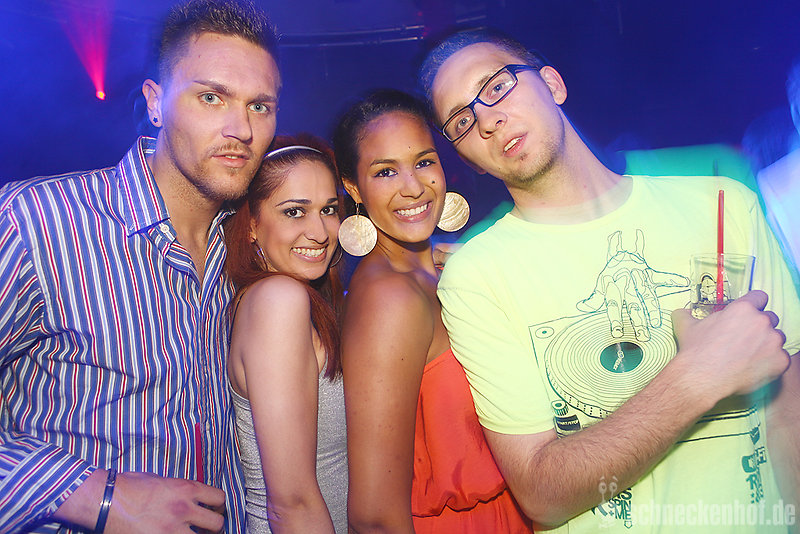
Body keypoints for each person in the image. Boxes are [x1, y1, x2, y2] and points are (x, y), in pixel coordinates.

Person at [420, 29, 800, 532]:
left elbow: (788, 409)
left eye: (496, 87)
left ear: (552, 84)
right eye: (463, 122)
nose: (487, 120)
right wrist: (697, 376)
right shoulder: (476, 275)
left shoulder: (724, 206)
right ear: (468, 157)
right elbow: (540, 493)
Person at [0, 0, 280, 532]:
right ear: (155, 103)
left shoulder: (248, 245)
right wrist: (98, 497)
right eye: (211, 97)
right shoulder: (39, 221)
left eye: (260, 106)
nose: (241, 128)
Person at [334, 89, 533, 533]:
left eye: (423, 162)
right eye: (385, 171)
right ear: (354, 188)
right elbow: (374, 517)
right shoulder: (390, 298)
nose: (413, 187)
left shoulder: (441, 271)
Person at [224, 137, 348, 533]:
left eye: (329, 209)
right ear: (252, 225)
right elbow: (291, 503)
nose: (319, 232)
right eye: (295, 212)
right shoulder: (278, 300)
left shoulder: (292, 298)